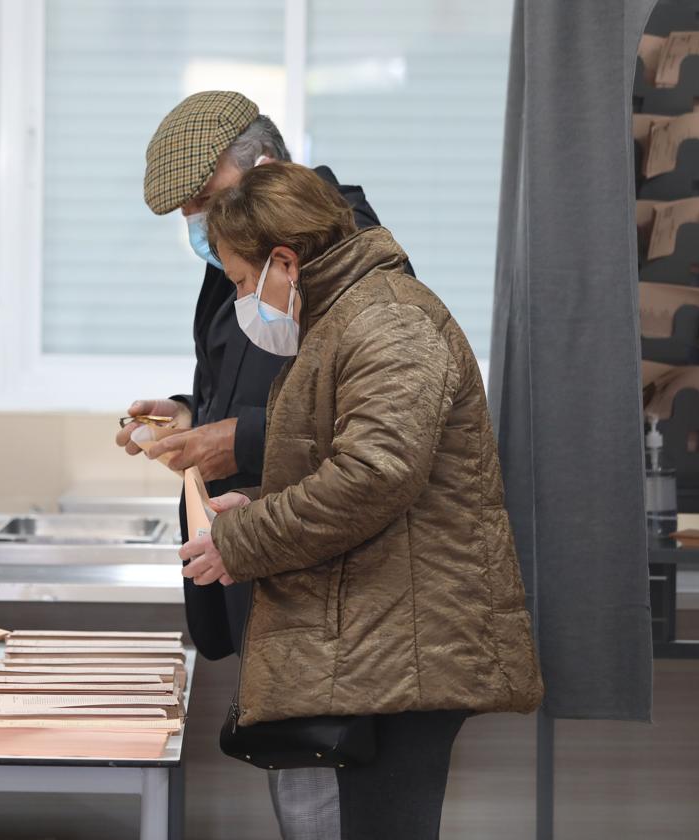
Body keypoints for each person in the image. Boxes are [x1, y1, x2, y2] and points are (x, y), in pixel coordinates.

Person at [180, 161, 544, 838]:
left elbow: (377, 476)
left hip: (403, 647)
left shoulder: (390, 322)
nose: (239, 299)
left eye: (238, 281)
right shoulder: (344, 317)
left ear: (283, 260)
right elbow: (350, 464)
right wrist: (258, 502)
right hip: (380, 639)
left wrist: (247, 539)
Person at [120, 91, 397, 839]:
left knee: (327, 808)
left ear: (263, 169)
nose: (202, 231)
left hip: (323, 589)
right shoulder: (243, 255)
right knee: (301, 800)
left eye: (206, 203)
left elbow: (365, 436)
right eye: (191, 218)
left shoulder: (349, 258)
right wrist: (191, 414)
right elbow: (253, 382)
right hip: (264, 568)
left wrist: (232, 442)